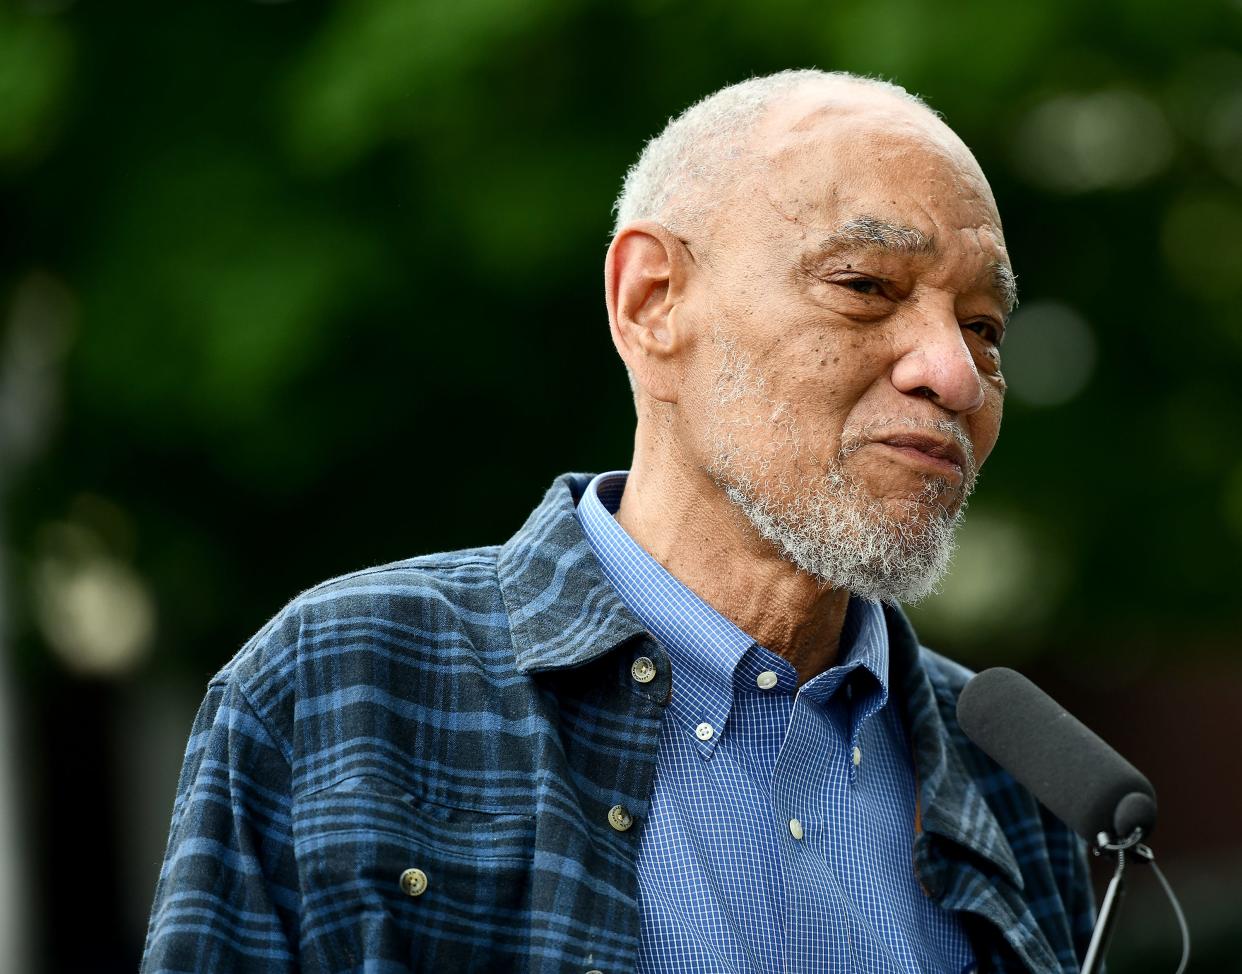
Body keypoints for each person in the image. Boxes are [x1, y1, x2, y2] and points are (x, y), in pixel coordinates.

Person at [142, 69, 1095, 974]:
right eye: (866, 287)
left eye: (984, 327)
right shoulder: (346, 684)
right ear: (652, 301)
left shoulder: (1020, 783)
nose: (955, 374)